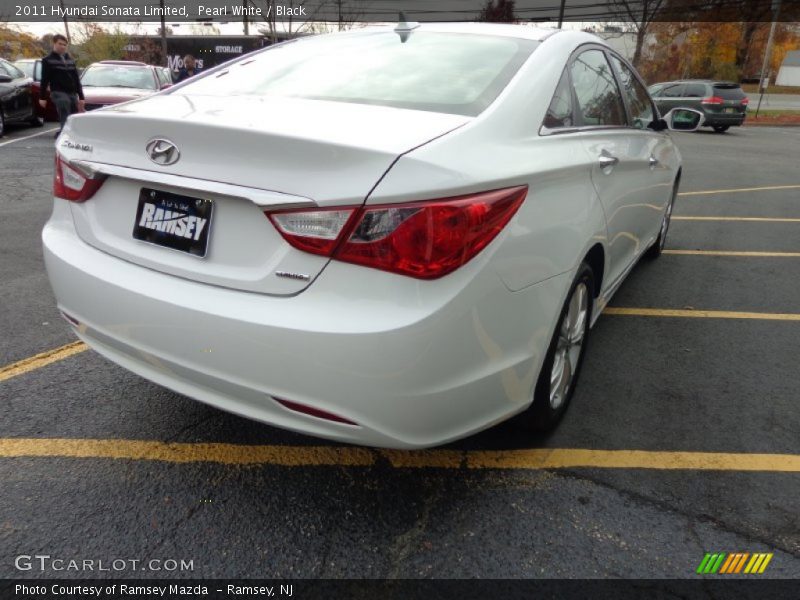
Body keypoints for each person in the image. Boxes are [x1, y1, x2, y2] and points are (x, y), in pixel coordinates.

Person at [39, 34, 84, 137]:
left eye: (64, 45)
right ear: (54, 44)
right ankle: (65, 136)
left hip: (71, 92)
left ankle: (71, 134)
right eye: (60, 44)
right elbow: (44, 80)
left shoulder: (70, 60)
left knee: (73, 115)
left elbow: (76, 79)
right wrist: (42, 97)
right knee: (64, 106)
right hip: (58, 92)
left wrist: (81, 97)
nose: (62, 46)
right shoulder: (47, 60)